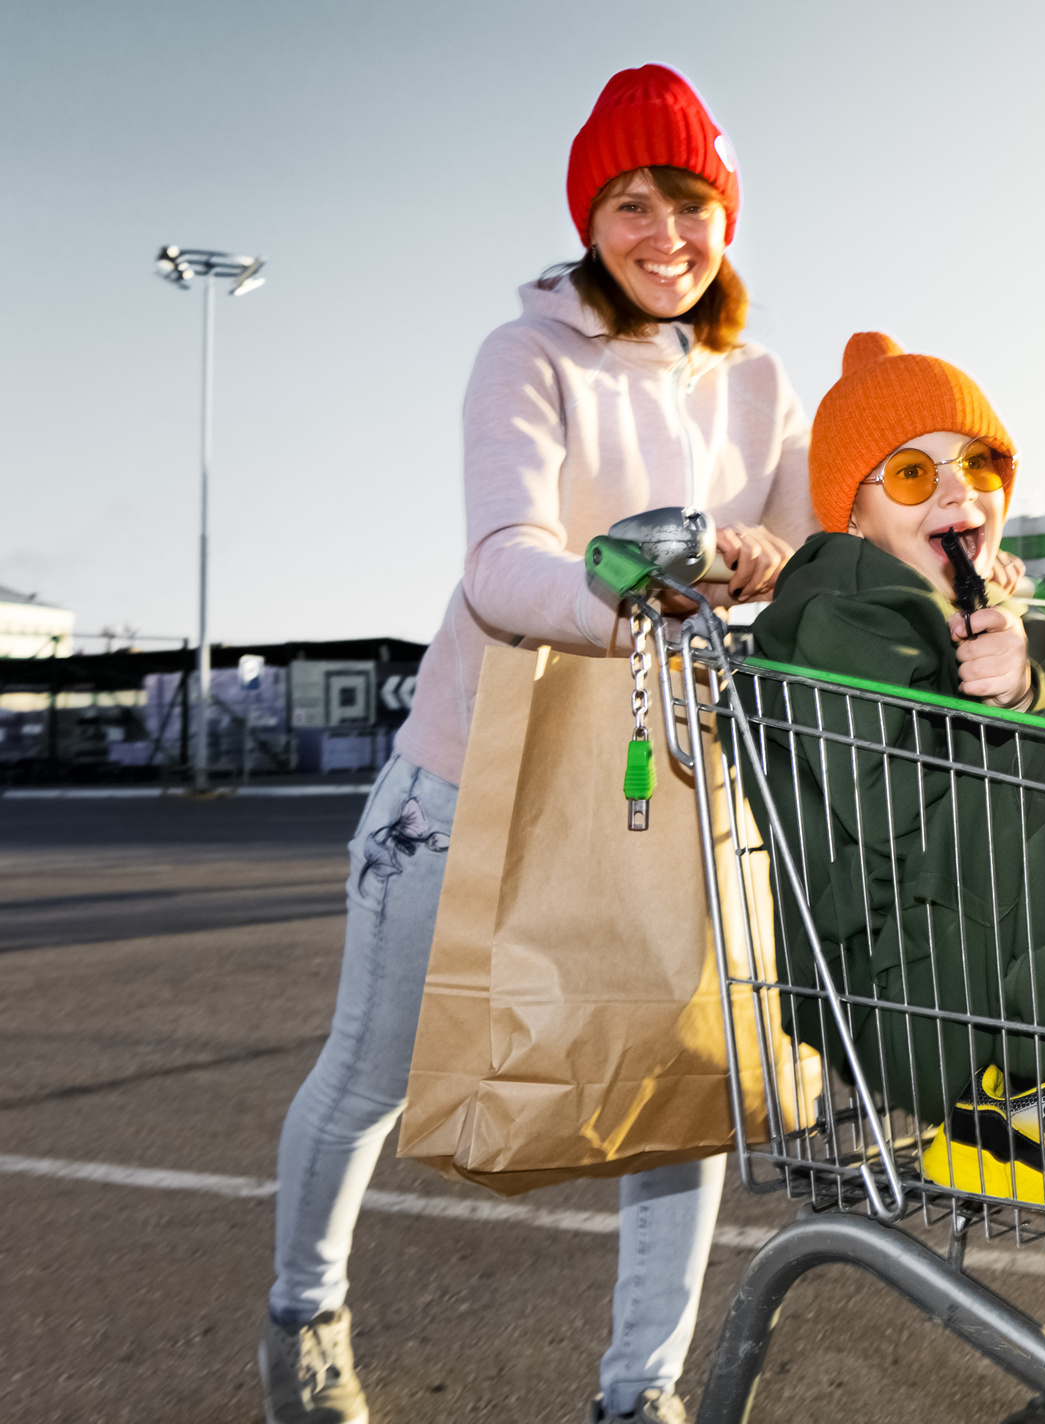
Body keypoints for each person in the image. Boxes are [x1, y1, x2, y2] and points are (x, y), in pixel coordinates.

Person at [261, 65, 813, 1424]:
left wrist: (764, 561)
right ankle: (304, 1314)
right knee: (370, 1076)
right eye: (632, 204)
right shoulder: (527, 355)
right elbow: (503, 564)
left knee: (679, 1083)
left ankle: (641, 1390)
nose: (665, 235)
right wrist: (632, 594)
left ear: (727, 216)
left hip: (659, 784)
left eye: (690, 202)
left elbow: (810, 566)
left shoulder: (761, 384)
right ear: (589, 220)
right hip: (470, 778)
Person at [749, 333, 1045, 1224]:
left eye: (980, 463)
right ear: (853, 517)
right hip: (906, 996)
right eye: (912, 475)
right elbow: (891, 804)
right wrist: (1014, 708)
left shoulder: (977, 610)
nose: (958, 489)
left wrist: (1031, 684)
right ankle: (1034, 1098)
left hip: (963, 971)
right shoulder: (840, 615)